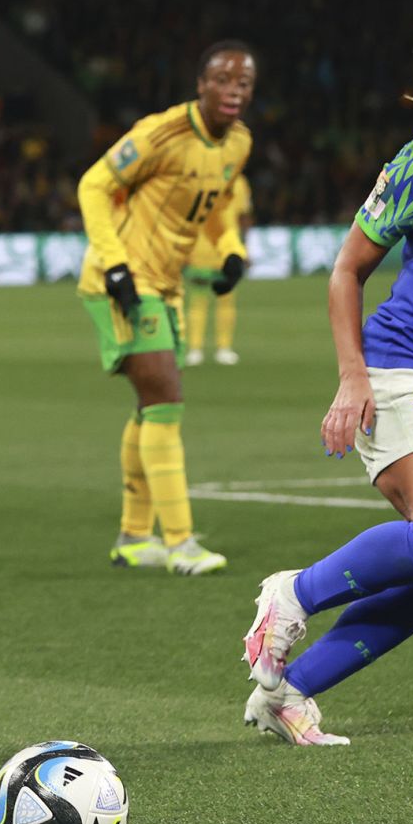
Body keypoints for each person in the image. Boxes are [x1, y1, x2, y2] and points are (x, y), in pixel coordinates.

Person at [242, 0, 413, 746]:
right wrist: (352, 375)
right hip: (404, 367)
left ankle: (290, 693)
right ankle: (293, 593)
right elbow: (347, 268)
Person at [77, 40, 255, 575]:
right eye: (223, 80)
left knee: (152, 405)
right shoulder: (162, 133)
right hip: (124, 283)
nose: (233, 91)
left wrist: (230, 251)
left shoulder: (238, 143)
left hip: (167, 284)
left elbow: (219, 206)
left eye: (243, 83)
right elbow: (94, 184)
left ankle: (134, 537)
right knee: (166, 400)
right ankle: (181, 544)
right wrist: (115, 266)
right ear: (201, 84)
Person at [184, 174, 252, 366]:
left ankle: (224, 348)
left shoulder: (239, 182)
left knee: (226, 300)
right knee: (198, 299)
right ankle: (195, 348)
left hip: (227, 250)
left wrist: (244, 248)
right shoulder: (198, 178)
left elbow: (243, 217)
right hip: (201, 248)